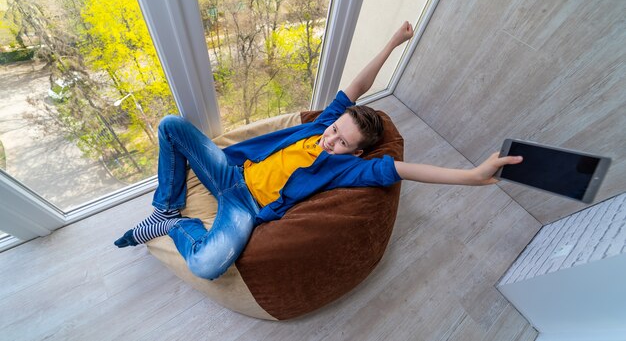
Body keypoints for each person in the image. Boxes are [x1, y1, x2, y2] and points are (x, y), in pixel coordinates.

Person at [114, 21, 523, 280]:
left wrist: (470, 176)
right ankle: (167, 207)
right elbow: (358, 86)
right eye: (335, 130)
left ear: (356, 154)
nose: (331, 139)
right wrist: (394, 41)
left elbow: (406, 170)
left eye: (342, 141)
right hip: (230, 173)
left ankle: (174, 226)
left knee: (206, 266)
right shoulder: (322, 125)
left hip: (245, 206)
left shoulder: (348, 170)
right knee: (170, 126)